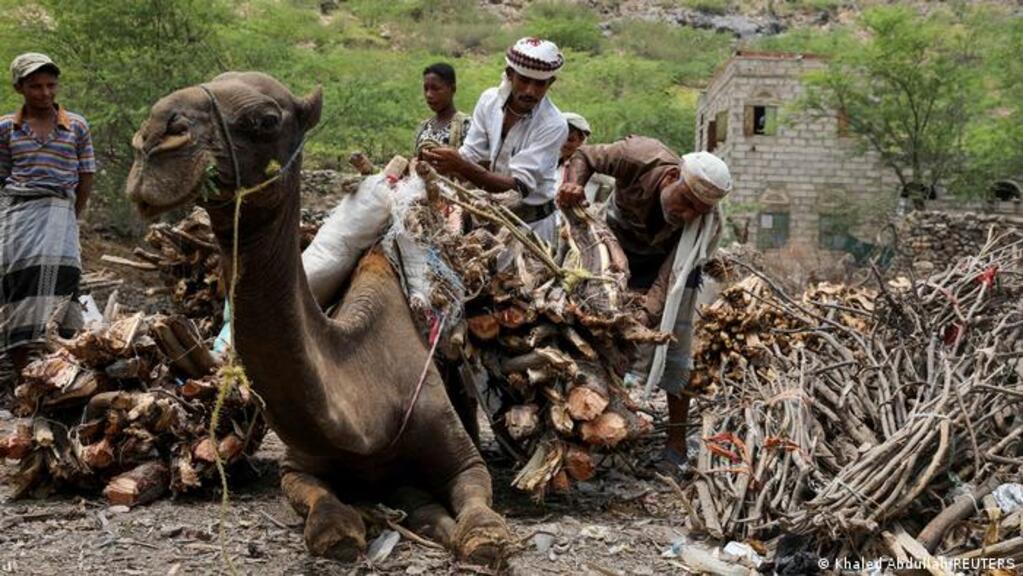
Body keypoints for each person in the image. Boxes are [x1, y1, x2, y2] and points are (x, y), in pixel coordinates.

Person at [557, 136, 732, 474]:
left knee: (677, 348)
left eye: (698, 210)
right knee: (593, 339)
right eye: (686, 201)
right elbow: (584, 155)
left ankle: (676, 446)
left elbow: (669, 280)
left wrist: (642, 316)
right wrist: (574, 185)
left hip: (674, 265)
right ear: (671, 179)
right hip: (614, 244)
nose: (687, 214)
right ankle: (591, 432)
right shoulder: (641, 156)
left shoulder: (699, 228)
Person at [0, 53, 95, 391]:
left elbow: (85, 175)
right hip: (17, 217)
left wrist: (71, 214)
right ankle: (24, 375)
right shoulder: (6, 128)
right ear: (19, 88)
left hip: (60, 213)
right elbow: (2, 176)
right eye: (35, 86)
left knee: (63, 282)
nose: (44, 93)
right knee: (18, 288)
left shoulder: (76, 126)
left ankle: (61, 372)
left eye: (50, 85)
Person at [421, 37, 568, 246]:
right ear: (510, 75)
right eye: (524, 80)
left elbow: (517, 187)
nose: (530, 91)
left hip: (530, 229)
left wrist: (460, 165)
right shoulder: (489, 101)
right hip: (493, 220)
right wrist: (437, 162)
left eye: (539, 84)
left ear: (550, 83)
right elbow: (470, 153)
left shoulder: (553, 125)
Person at [413, 63, 471, 156]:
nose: (429, 95)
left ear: (452, 89)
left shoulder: (466, 125)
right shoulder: (424, 127)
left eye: (435, 88)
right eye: (426, 89)